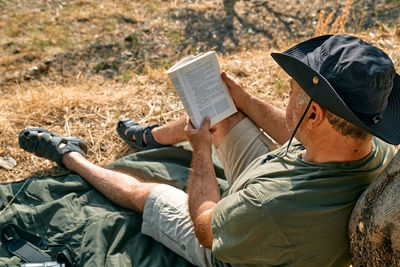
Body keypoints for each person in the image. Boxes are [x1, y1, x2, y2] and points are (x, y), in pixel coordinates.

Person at [18, 34, 400, 266]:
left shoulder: (269, 207)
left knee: (145, 192)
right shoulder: (371, 142)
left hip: (235, 242)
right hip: (272, 192)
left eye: (292, 91)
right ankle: (151, 137)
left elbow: (205, 227)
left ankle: (71, 155)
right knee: (224, 114)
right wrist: (245, 99)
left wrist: (201, 153)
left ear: (313, 114)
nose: (287, 91)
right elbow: (296, 132)